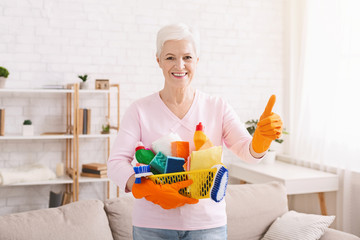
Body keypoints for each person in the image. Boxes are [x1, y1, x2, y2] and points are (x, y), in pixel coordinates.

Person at [107, 23, 283, 240]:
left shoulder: (217, 107)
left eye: (187, 57)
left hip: (207, 226)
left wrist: (262, 139)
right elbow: (116, 163)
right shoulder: (140, 110)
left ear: (197, 61)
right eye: (170, 57)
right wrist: (145, 187)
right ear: (158, 60)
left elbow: (248, 152)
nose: (179, 65)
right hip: (152, 226)